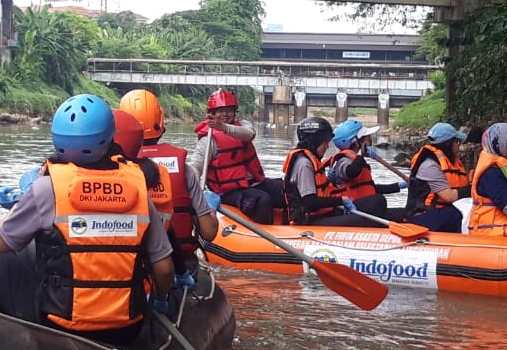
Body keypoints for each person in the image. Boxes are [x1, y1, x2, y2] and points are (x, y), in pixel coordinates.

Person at [0, 94, 175, 345]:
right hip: (127, 325)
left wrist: (21, 202)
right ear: (109, 138)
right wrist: (160, 301)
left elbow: (1, 243)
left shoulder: (46, 187)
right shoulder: (139, 187)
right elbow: (163, 269)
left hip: (60, 323)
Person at [118, 88, 218, 268]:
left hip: (130, 266)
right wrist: (209, 208)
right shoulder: (185, 170)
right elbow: (209, 232)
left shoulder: (113, 169)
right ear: (161, 125)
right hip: (180, 262)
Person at [192, 89, 286, 223]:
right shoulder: (208, 141)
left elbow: (249, 135)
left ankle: (297, 225)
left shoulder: (244, 126)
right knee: (262, 200)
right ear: (212, 113)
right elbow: (195, 168)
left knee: (286, 188)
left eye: (229, 110)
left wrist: (223, 127)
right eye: (220, 110)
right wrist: (196, 193)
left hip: (254, 184)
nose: (225, 114)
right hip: (228, 192)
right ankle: (261, 238)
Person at [282, 116, 364, 226]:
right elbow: (309, 202)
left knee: (375, 202)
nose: (327, 147)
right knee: (358, 219)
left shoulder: (313, 159)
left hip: (324, 214)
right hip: (308, 220)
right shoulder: (304, 164)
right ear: (315, 141)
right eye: (325, 143)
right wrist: (342, 200)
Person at [325, 119, 406, 220]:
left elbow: (369, 188)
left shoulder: (358, 161)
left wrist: (399, 186)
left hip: (364, 207)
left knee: (408, 212)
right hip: (350, 210)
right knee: (378, 200)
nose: (370, 139)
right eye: (367, 137)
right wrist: (361, 154)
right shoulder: (343, 161)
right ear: (356, 142)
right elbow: (351, 172)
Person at [406, 121, 471, 233]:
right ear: (448, 144)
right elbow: (449, 196)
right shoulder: (430, 165)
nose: (459, 146)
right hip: (424, 216)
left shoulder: (452, 162)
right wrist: (474, 189)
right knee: (457, 213)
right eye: (457, 141)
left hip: (442, 212)